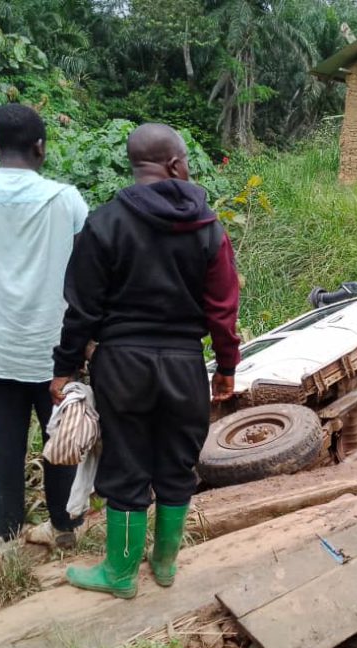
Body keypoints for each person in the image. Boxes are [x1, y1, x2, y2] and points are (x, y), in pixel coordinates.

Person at [51, 123, 241, 599]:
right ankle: (164, 564)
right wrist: (227, 367)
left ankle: (119, 574)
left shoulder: (105, 221)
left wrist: (65, 367)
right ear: (175, 164)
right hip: (183, 364)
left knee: (127, 463)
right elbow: (223, 307)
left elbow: (82, 308)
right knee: (178, 462)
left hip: (121, 364)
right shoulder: (208, 227)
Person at [0, 104, 89, 559]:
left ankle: (4, 534)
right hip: (54, 345)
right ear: (41, 147)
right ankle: (64, 527)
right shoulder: (65, 199)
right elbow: (82, 268)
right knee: (61, 438)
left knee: (4, 441)